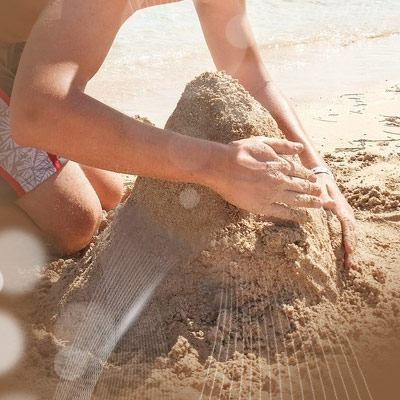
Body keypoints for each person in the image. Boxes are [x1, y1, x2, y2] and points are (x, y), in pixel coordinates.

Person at [0, 0, 357, 269]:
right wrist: (219, 166)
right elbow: (38, 113)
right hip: (19, 72)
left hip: (24, 60)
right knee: (75, 222)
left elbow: (250, 75)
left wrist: (319, 170)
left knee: (109, 192)